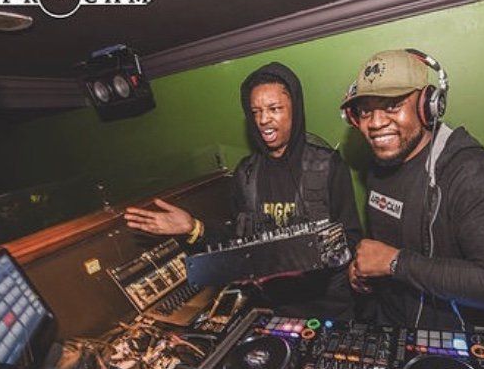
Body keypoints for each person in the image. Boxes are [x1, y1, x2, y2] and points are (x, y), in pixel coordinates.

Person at [125, 62, 361, 319]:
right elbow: (236, 239)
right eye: (256, 111)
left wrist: (304, 260)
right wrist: (193, 227)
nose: (263, 119)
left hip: (328, 307)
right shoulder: (246, 173)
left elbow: (351, 237)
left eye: (274, 109)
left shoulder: (327, 165)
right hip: (271, 308)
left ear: (295, 110)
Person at [340, 49, 484, 330]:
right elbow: (388, 247)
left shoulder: (473, 174)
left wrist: (394, 263)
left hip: (446, 338)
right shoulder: (380, 164)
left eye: (392, 105)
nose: (376, 123)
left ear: (428, 105)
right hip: (389, 326)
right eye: (365, 111)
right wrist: (364, 269)